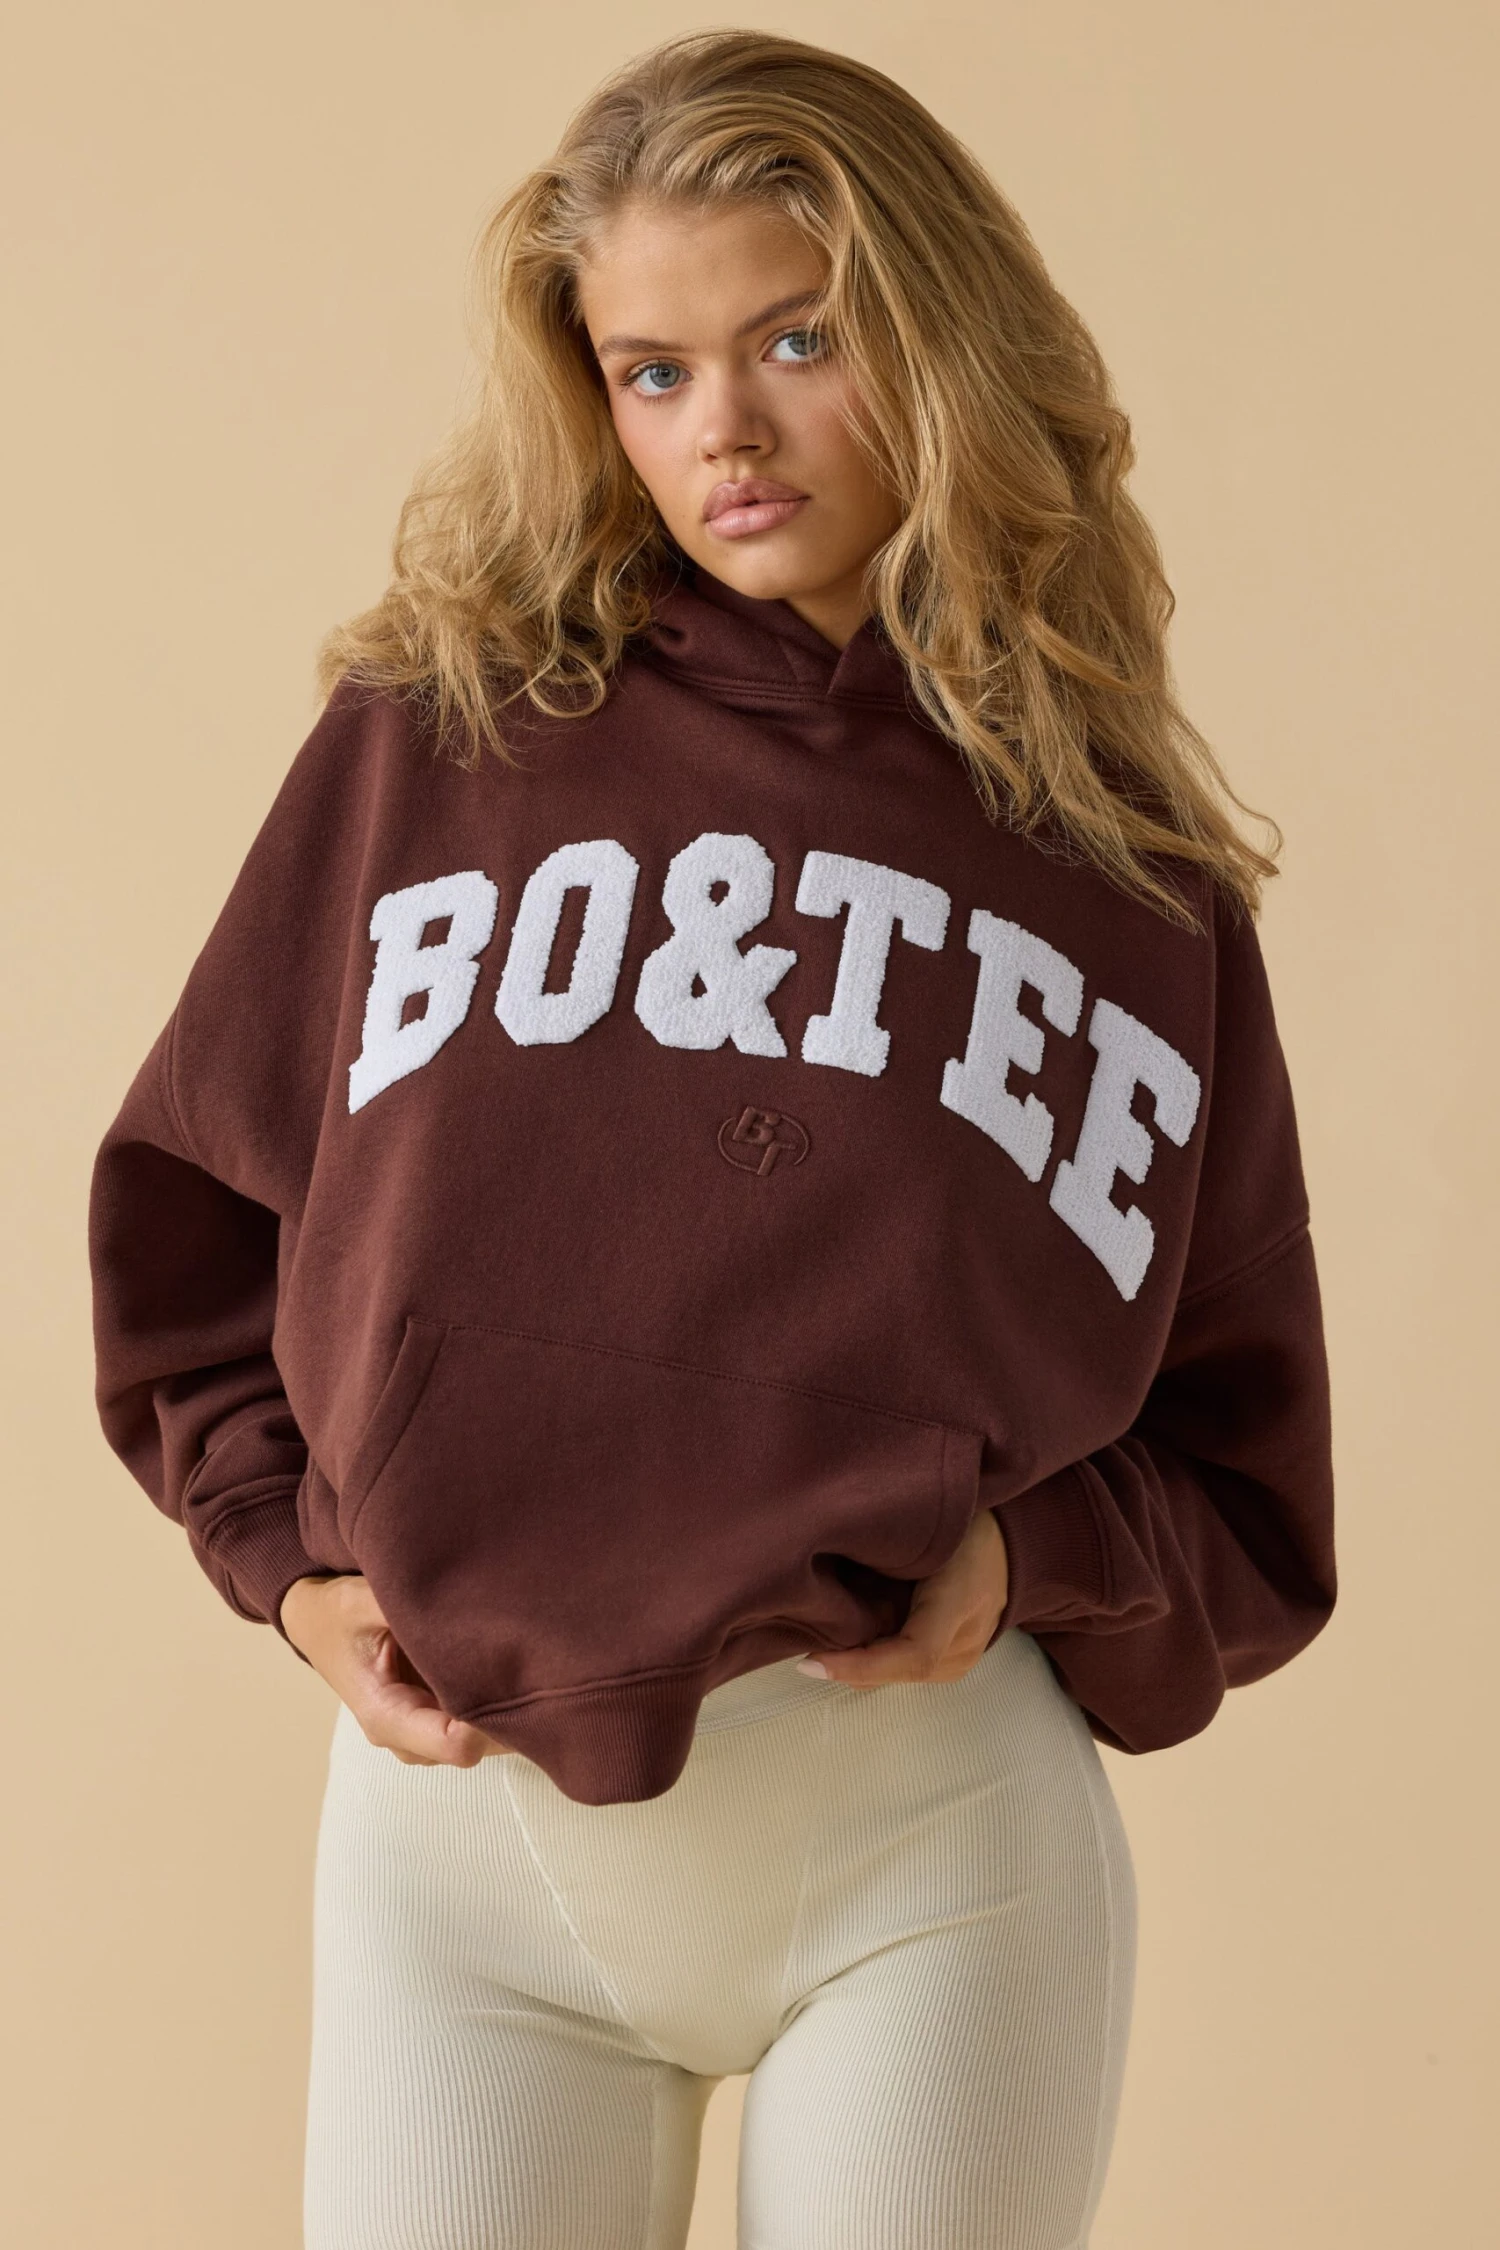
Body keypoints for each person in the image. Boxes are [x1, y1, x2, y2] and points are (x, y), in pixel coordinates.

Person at [88, 29, 1337, 2250]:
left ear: (937, 343)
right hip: (466, 1852)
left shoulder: (1123, 871)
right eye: (652, 372)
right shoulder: (435, 744)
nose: (724, 432)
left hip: (925, 1848)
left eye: (795, 341)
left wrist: (1030, 1561)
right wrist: (283, 1562)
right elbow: (189, 1214)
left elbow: (1244, 1465)